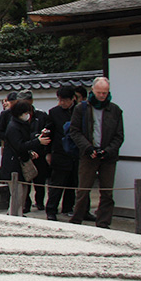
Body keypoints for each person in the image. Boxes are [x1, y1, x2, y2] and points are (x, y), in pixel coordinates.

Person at [69, 77, 124, 229]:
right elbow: (74, 131)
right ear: (92, 90)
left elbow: (119, 135)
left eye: (105, 93)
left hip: (108, 156)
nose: (102, 96)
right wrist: (88, 148)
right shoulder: (82, 108)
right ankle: (76, 220)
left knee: (107, 191)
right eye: (99, 92)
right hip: (88, 154)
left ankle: (103, 222)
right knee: (83, 190)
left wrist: (108, 151)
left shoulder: (115, 110)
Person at [45, 86, 79, 220]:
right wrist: (48, 152)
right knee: (57, 183)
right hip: (59, 151)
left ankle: (68, 208)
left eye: (65, 100)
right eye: (60, 100)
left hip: (76, 153)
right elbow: (49, 132)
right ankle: (51, 209)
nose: (62, 103)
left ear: (72, 99)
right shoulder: (54, 112)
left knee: (73, 183)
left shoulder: (80, 111)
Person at [1, 101, 51, 187]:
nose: (28, 115)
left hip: (20, 162)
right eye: (26, 113)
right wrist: (37, 142)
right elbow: (19, 145)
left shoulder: (20, 124)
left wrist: (29, 151)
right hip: (14, 164)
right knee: (17, 194)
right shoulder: (13, 127)